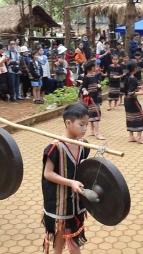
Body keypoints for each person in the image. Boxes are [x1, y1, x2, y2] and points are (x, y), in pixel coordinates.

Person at [41, 103, 90, 253]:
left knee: (74, 233)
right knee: (60, 234)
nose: (85, 128)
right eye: (81, 124)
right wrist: (70, 182)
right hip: (59, 200)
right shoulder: (55, 147)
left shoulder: (83, 144)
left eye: (87, 125)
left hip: (76, 200)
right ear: (68, 123)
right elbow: (48, 174)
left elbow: (82, 166)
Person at [123, 60, 143, 144]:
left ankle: (131, 136)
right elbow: (131, 93)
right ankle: (139, 137)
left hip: (126, 100)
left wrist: (138, 87)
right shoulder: (133, 79)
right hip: (132, 101)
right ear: (134, 68)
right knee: (139, 116)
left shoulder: (127, 77)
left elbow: (129, 88)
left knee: (130, 117)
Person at [81, 61, 105, 140]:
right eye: (95, 67)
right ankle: (97, 133)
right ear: (92, 68)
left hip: (96, 97)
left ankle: (92, 131)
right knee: (95, 114)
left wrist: (98, 86)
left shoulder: (95, 76)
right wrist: (85, 91)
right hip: (90, 98)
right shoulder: (86, 77)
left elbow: (97, 85)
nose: (96, 68)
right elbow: (83, 87)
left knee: (93, 113)